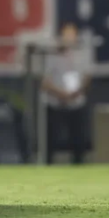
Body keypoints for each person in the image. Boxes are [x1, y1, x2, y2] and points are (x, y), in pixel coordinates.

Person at [41, 23, 92, 165]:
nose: (69, 38)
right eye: (66, 35)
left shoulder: (83, 54)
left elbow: (87, 77)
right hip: (55, 102)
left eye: (72, 34)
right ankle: (47, 165)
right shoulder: (52, 55)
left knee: (79, 137)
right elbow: (45, 81)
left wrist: (76, 92)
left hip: (76, 101)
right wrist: (61, 94)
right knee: (51, 138)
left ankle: (79, 166)